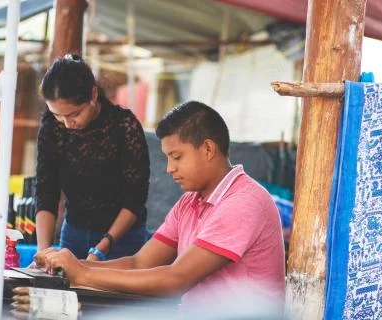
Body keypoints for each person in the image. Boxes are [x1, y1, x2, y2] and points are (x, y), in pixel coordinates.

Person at [34, 101, 285, 315]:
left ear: (208, 149)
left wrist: (84, 276)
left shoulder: (243, 201)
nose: (169, 168)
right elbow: (139, 263)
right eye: (167, 158)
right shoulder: (189, 202)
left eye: (177, 157)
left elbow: (177, 278)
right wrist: (69, 267)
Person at [35, 54, 150, 261]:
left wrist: (101, 248)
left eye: (74, 114)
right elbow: (46, 190)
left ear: (93, 94)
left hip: (123, 238)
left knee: (109, 292)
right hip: (73, 234)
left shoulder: (124, 126)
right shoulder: (52, 128)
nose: (67, 124)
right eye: (58, 116)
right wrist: (43, 250)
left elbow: (135, 198)